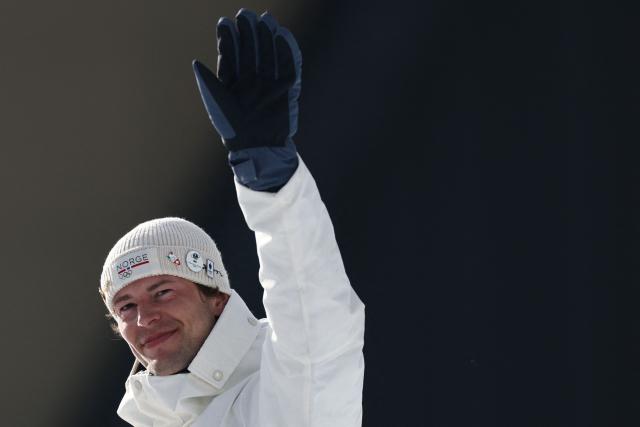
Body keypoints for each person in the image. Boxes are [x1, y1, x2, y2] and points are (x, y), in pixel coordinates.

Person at [98, 8, 365, 427]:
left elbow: (314, 315)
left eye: (162, 291)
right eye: (125, 305)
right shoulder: (148, 418)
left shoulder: (287, 393)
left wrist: (271, 182)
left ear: (217, 298)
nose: (143, 318)